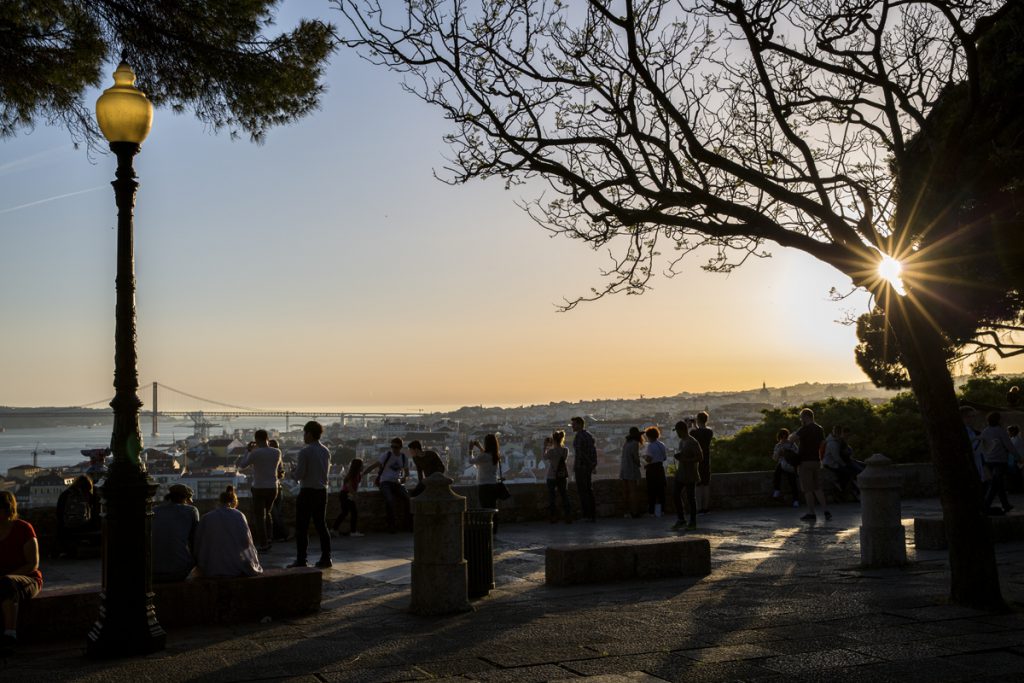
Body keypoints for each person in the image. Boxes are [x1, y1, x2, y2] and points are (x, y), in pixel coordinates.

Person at [0, 492, 41, 654]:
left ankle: (10, 634)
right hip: (3, 581)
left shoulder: (24, 528)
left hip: (28, 579)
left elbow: (33, 564)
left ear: (8, 510)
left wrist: (7, 577)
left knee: (5, 585)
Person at [289, 420, 333, 569]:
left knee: (302, 527)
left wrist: (292, 474)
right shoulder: (325, 450)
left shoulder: (305, 451)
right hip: (322, 491)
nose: (303, 436)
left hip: (307, 491)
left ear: (309, 433)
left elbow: (300, 474)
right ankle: (326, 558)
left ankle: (302, 559)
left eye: (304, 433)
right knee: (321, 525)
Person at [194, 486, 262, 578]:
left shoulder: (207, 517)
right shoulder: (239, 515)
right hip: (236, 563)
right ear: (234, 501)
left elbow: (198, 542)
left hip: (212, 565)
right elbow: (246, 542)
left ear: (219, 501)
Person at [237, 429, 282, 552]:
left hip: (259, 487)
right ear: (267, 438)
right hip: (273, 487)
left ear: (256, 440)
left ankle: (263, 543)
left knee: (259, 516)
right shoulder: (277, 452)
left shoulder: (255, 453)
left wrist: (248, 450)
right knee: (267, 513)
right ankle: (269, 538)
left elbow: (242, 464)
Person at [152, 483, 200, 582]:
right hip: (180, 569)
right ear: (185, 499)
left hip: (155, 568)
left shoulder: (154, 511)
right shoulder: (191, 511)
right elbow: (195, 540)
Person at [790, 408, 831, 523]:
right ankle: (826, 511)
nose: (800, 419)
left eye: (801, 417)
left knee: (808, 489)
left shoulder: (804, 429)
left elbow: (791, 440)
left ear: (805, 417)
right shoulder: (819, 428)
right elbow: (823, 443)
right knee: (818, 488)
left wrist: (795, 433)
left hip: (805, 461)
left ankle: (811, 513)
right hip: (816, 461)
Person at [363, 437, 411, 533]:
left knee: (407, 499)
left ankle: (408, 523)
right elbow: (375, 465)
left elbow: (407, 472)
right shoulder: (387, 455)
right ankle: (391, 525)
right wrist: (363, 474)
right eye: (392, 446)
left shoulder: (403, 458)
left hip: (396, 483)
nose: (393, 448)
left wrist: (403, 479)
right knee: (390, 500)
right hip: (385, 482)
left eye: (395, 447)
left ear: (400, 447)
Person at [979, 411, 1015, 515]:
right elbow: (1009, 445)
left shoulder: (985, 431)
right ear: (998, 420)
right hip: (1000, 461)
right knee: (996, 484)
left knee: (998, 484)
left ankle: (1005, 505)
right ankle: (986, 505)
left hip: (989, 461)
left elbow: (983, 446)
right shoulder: (1001, 431)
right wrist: (1019, 457)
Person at [55, 475, 99, 558]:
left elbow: (59, 512)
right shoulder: (88, 494)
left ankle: (64, 551)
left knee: (61, 530)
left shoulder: (65, 494)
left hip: (66, 526)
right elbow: (95, 511)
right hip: (83, 525)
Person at [469, 433, 503, 533]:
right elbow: (485, 455)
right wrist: (479, 447)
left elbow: (471, 461)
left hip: (484, 485)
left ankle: (487, 529)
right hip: (493, 484)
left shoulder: (484, 456)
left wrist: (470, 450)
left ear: (486, 443)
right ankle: (494, 529)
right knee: (493, 508)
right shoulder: (496, 455)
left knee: (485, 508)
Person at [671, 421, 702, 531]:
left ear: (681, 430)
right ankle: (681, 519)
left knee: (690, 498)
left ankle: (692, 521)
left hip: (690, 474)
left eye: (677, 431)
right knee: (675, 494)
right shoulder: (682, 442)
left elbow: (700, 457)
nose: (677, 434)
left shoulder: (692, 442)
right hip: (681, 473)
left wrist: (686, 460)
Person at [570, 416, 598, 522]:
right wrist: (592, 465)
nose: (572, 426)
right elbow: (592, 452)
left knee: (583, 491)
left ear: (580, 425)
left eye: (574, 424)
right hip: (587, 467)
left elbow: (581, 454)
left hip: (581, 467)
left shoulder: (579, 437)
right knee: (589, 490)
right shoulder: (589, 436)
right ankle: (592, 514)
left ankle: (586, 515)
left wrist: (580, 466)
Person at [822, 425, 859, 501]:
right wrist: (844, 465)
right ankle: (841, 487)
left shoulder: (837, 440)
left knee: (851, 471)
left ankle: (849, 489)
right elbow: (836, 458)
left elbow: (848, 449)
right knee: (847, 472)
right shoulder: (832, 443)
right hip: (830, 464)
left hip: (835, 462)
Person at [543, 431, 572, 523]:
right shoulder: (565, 450)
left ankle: (553, 517)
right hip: (562, 476)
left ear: (554, 440)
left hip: (551, 476)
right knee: (564, 496)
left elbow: (544, 457)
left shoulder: (551, 451)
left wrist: (545, 446)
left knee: (552, 497)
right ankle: (568, 516)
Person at [332, 458, 365, 537]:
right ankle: (353, 531)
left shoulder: (356, 474)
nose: (363, 466)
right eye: (362, 465)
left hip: (345, 494)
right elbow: (349, 486)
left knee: (345, 512)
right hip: (346, 495)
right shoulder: (352, 475)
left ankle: (334, 529)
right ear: (358, 466)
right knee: (353, 512)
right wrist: (355, 495)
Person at [690, 411, 714, 514]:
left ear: (698, 420)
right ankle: (706, 508)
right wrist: (695, 425)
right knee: (706, 484)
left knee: (698, 485)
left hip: (697, 460)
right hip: (706, 459)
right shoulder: (709, 432)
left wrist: (690, 425)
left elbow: (692, 435)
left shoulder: (694, 433)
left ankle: (699, 508)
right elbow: (701, 431)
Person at [771, 428, 801, 508]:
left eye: (785, 437)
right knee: (778, 470)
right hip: (782, 464)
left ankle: (796, 500)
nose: (784, 439)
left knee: (792, 482)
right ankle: (777, 490)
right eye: (782, 437)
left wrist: (788, 452)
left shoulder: (792, 444)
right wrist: (779, 453)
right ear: (780, 437)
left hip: (790, 465)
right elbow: (774, 458)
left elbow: (797, 454)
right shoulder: (778, 445)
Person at [643, 425, 668, 517]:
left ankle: (651, 512)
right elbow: (664, 458)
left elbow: (649, 459)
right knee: (661, 491)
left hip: (652, 470)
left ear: (649, 436)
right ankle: (662, 511)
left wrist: (644, 457)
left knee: (651, 491)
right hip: (660, 468)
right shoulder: (662, 445)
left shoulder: (650, 446)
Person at [619, 427, 643, 518]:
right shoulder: (635, 443)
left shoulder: (626, 443)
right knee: (633, 491)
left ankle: (626, 511)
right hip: (631, 469)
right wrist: (640, 464)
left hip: (624, 469)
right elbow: (635, 458)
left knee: (626, 491)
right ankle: (634, 512)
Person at [1007, 425, 1024, 494]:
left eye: (1008, 431)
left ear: (1013, 432)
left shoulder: (1017, 440)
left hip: (1017, 460)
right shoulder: (1013, 439)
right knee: (1015, 475)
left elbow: (1011, 449)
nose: (1008, 433)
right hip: (1013, 460)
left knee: (1016, 475)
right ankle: (1015, 489)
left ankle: (1017, 489)